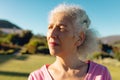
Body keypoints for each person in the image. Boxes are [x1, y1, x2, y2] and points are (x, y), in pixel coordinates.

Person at [28, 3, 112, 80]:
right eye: (50, 27)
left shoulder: (101, 74)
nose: (52, 34)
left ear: (79, 38)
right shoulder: (36, 77)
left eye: (61, 28)